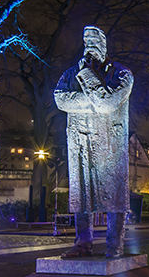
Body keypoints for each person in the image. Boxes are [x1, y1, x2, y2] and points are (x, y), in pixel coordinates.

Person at [54, 26, 133, 258]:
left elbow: (108, 105)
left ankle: (114, 245)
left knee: (115, 195)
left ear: (103, 46)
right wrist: (96, 101)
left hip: (110, 144)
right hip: (80, 142)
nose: (89, 47)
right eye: (86, 42)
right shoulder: (70, 73)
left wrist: (88, 78)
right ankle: (82, 243)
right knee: (81, 194)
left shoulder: (122, 74)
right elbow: (60, 100)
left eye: (94, 43)